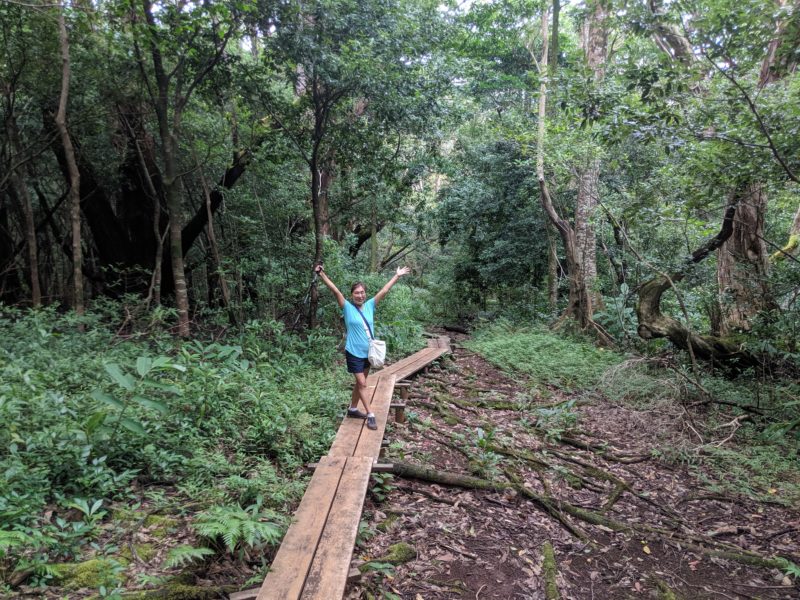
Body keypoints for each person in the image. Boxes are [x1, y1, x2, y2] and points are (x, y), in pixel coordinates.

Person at [314, 263, 411, 430]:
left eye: (362, 292)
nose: (360, 295)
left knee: (361, 383)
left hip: (368, 353)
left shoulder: (370, 305)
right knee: (362, 383)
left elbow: (384, 291)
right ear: (352, 295)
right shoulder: (347, 307)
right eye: (357, 293)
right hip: (353, 352)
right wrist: (322, 275)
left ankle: (353, 409)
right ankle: (370, 414)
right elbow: (335, 291)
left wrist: (397, 275)